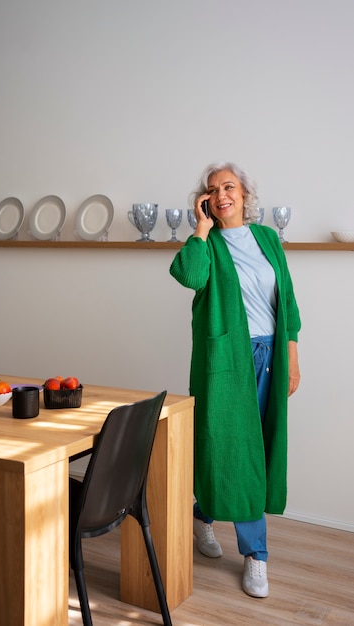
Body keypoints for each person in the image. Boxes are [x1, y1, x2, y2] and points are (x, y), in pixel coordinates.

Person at [169, 162, 301, 598]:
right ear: (206, 201)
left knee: (253, 449)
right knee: (232, 449)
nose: (221, 193)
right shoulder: (206, 245)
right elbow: (188, 276)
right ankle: (256, 556)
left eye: (229, 186)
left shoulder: (267, 239)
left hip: (270, 356)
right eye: (212, 190)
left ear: (245, 193)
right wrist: (201, 229)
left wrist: (292, 360)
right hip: (226, 361)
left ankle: (202, 514)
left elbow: (289, 305)